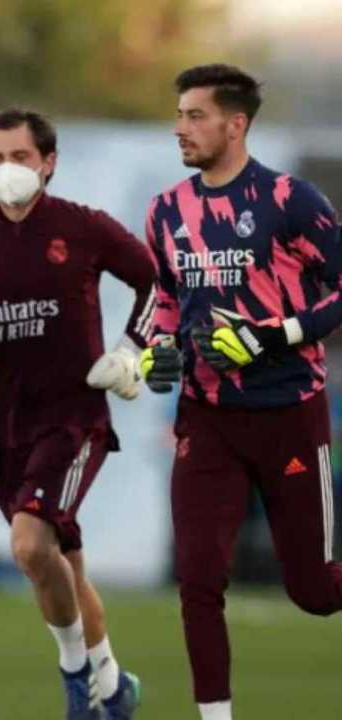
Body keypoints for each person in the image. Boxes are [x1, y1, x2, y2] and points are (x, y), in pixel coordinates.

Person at [0, 108, 154, 719]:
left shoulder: (84, 228)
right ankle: (115, 689)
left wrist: (134, 351)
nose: (7, 169)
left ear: (48, 162)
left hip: (73, 421)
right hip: (1, 429)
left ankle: (76, 683)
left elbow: (157, 283)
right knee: (61, 569)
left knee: (28, 546)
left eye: (19, 157)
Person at [140, 63, 342, 720]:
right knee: (198, 580)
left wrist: (272, 335)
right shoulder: (167, 211)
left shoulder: (291, 200)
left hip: (289, 414)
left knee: (315, 591)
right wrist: (157, 353)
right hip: (207, 418)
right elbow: (164, 301)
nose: (181, 128)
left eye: (195, 115)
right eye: (178, 114)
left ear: (237, 123)